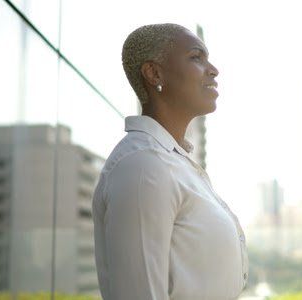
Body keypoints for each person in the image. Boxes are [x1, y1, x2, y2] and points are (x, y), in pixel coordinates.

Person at [92, 23, 248, 300]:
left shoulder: (173, 162)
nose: (213, 69)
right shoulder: (143, 165)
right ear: (154, 73)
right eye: (196, 57)